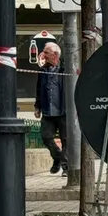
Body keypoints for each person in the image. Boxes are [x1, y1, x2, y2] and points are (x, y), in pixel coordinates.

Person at [35, 42, 68, 175]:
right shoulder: (42, 71)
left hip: (64, 111)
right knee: (46, 137)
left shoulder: (65, 69)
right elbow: (39, 89)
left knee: (66, 140)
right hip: (48, 112)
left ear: (55, 54)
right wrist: (37, 106)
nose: (43, 55)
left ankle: (66, 167)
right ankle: (58, 158)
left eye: (46, 52)